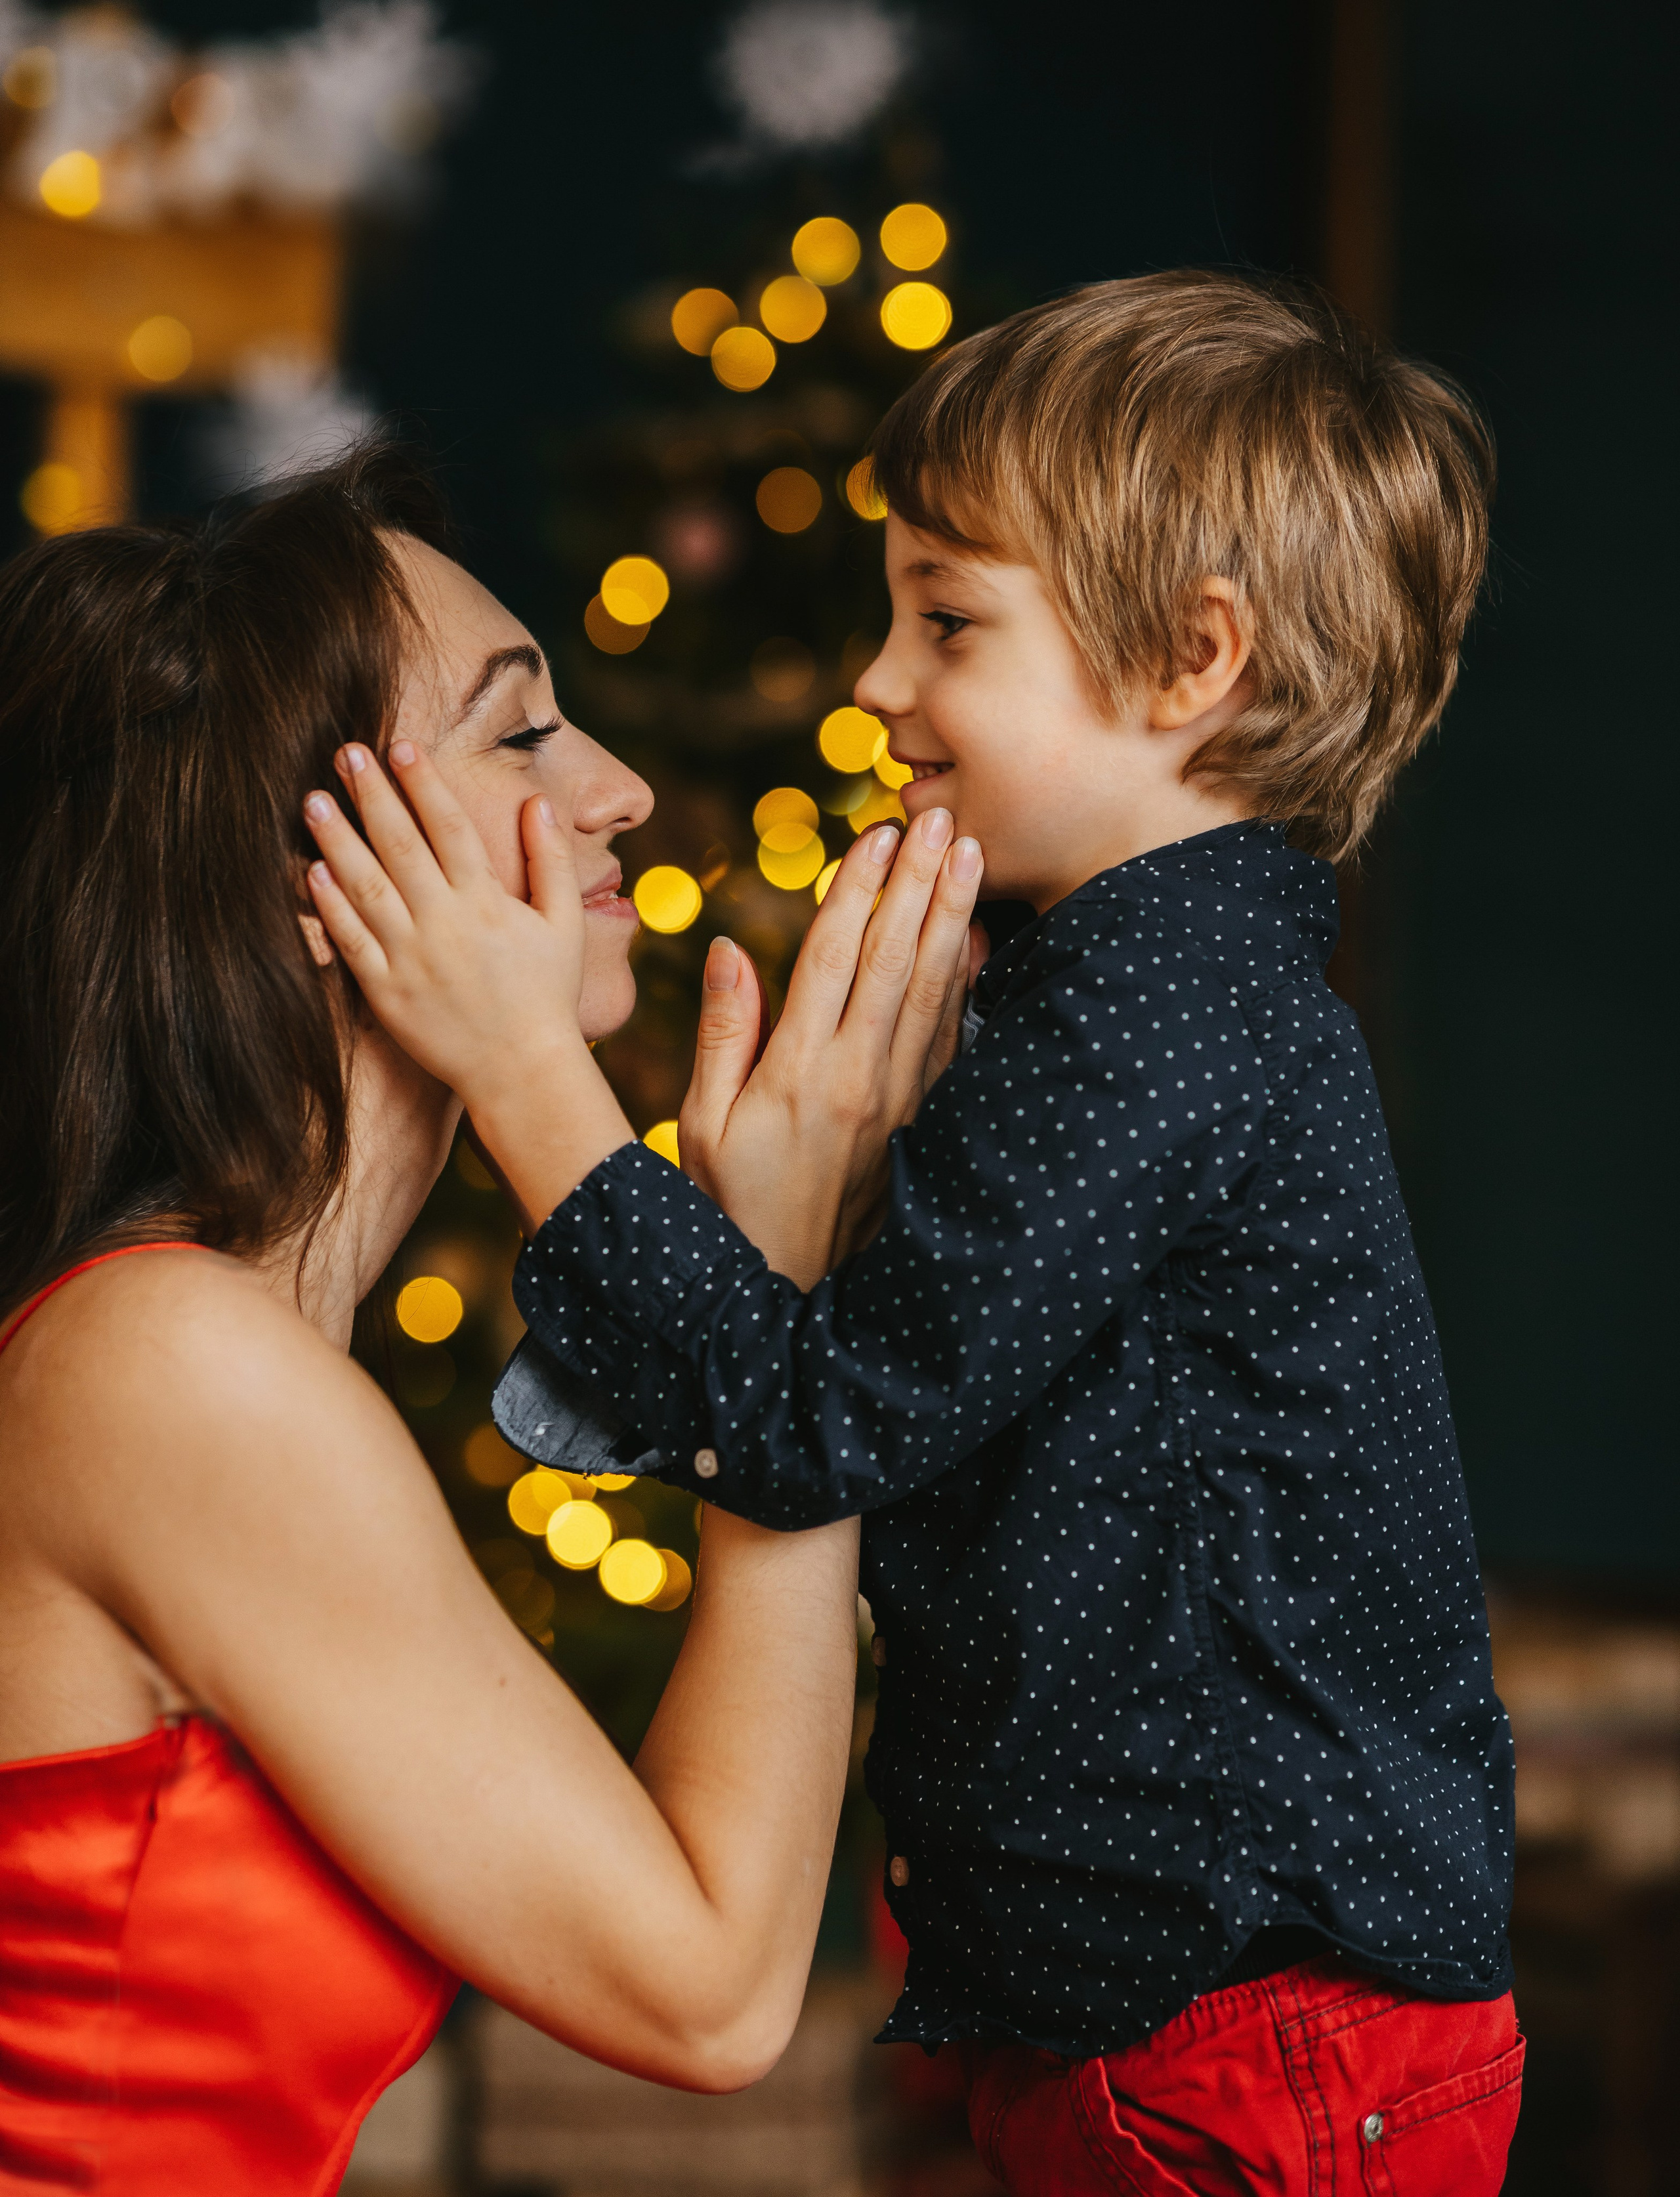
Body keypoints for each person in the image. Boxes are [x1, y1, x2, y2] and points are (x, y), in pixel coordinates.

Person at [306, 274, 1527, 2194]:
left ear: (1193, 659)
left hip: (1252, 2046)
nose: (873, 687)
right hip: (1196, 2032)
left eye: (945, 618)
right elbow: (817, 1385)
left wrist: (528, 1076)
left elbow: (811, 1429)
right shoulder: (1098, 998)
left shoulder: (1159, 1016)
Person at [0, 444, 980, 2194]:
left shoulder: (215, 1354)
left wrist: (758, 1303)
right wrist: (775, 1299)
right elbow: (714, 1986)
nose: (612, 789)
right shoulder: (167, 1367)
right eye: (522, 732)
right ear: (311, 862)